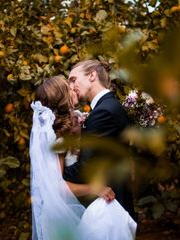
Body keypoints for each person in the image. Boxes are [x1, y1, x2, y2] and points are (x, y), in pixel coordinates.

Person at [30, 76, 136, 240]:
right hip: (68, 213)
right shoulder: (60, 138)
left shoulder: (79, 120)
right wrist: (95, 188)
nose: (74, 87)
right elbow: (57, 186)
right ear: (63, 96)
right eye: (69, 86)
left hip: (85, 207)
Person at [63, 60, 136, 220]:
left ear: (92, 76)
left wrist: (56, 176)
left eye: (73, 79)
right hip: (116, 202)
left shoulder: (103, 112)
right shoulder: (110, 106)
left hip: (111, 208)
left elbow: (86, 168)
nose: (71, 86)